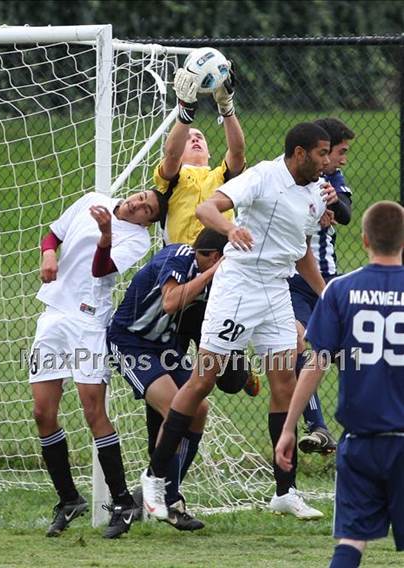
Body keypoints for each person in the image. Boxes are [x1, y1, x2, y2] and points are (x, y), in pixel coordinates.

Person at [141, 122, 339, 520]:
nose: (327, 161)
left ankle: (285, 492)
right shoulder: (263, 176)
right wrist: (231, 228)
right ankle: (156, 476)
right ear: (299, 153)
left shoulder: (315, 195)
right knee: (203, 380)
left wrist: (326, 295)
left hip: (276, 291)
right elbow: (205, 208)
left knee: (285, 379)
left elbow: (299, 249)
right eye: (321, 153)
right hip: (238, 288)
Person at [29, 189, 164, 538]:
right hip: (54, 315)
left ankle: (122, 501)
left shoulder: (137, 240)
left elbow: (101, 268)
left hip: (89, 322)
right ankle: (69, 499)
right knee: (42, 413)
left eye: (146, 210)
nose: (138, 204)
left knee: (93, 411)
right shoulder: (93, 198)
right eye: (141, 197)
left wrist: (105, 235)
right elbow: (53, 234)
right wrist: (48, 254)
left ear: (147, 223)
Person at [276, 201, 404, 567]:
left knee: (352, 542)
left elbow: (315, 363)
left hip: (361, 442)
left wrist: (289, 428)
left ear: (364, 240)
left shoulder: (340, 290)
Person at [107, 228, 227, 528]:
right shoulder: (178, 255)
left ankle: (166, 492)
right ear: (215, 256)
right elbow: (171, 301)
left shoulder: (215, 278)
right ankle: (161, 492)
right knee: (176, 406)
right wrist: (212, 273)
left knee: (199, 409)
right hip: (131, 342)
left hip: (165, 347)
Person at [154, 63, 260, 399]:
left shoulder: (222, 177)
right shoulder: (172, 176)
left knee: (228, 382)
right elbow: (171, 152)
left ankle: (236, 371)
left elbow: (239, 151)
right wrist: (185, 116)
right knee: (171, 362)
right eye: (190, 138)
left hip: (220, 270)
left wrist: (226, 107)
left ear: (211, 152)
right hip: (181, 272)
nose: (196, 139)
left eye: (201, 137)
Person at [288, 118, 355, 454]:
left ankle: (360, 427)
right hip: (294, 281)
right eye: (338, 152)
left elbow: (346, 214)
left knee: (348, 354)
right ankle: (317, 426)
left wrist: (331, 201)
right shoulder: (288, 179)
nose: (342, 158)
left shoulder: (332, 180)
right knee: (297, 344)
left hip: (328, 280)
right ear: (322, 151)